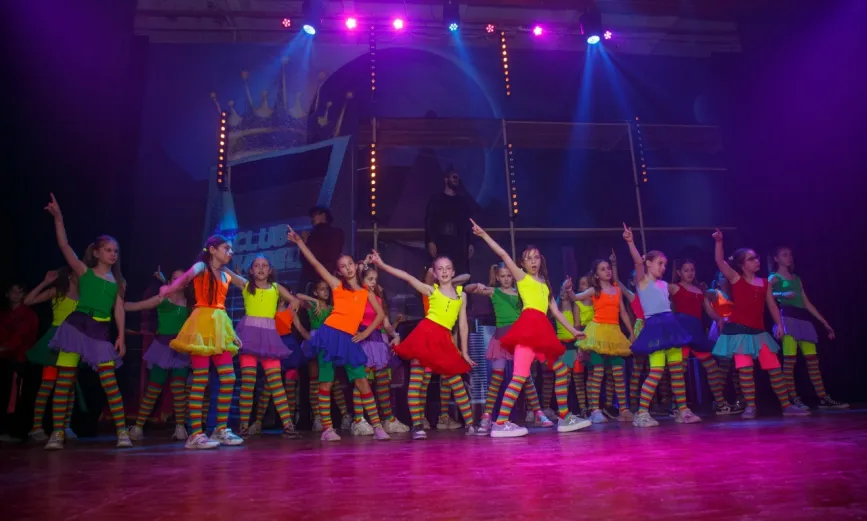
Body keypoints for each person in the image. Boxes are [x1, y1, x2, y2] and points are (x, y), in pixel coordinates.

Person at [472, 219, 591, 438]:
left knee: (561, 370)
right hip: (528, 330)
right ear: (523, 263)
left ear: (541, 260)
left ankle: (564, 416)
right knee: (519, 376)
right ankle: (500, 422)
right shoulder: (522, 278)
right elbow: (503, 254)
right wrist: (484, 235)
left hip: (542, 334)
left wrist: (574, 331)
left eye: (536, 257)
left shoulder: (545, 284)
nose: (533, 261)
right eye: (528, 258)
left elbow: (555, 312)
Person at [287, 225, 391, 442]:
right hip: (329, 336)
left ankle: (377, 426)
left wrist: (365, 334)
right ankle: (327, 429)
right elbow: (316, 264)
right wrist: (299, 242)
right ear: (340, 271)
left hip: (350, 339)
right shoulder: (336, 286)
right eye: (343, 266)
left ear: (355, 265)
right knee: (326, 381)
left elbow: (381, 314)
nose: (348, 268)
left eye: (350, 264)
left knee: (362, 381)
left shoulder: (365, 291)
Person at [43, 194, 131, 450]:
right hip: (76, 327)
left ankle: (122, 432)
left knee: (109, 383)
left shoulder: (118, 282)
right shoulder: (84, 271)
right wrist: (59, 218)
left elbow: (119, 310)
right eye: (108, 250)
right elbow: (64, 246)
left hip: (100, 332)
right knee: (64, 380)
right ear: (96, 252)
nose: (112, 254)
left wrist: (121, 336)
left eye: (115, 251)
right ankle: (57, 433)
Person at [371, 250, 479, 439]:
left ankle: (470, 424)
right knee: (416, 381)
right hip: (425, 336)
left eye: (448, 268)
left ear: (453, 272)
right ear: (434, 273)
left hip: (443, 340)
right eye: (440, 269)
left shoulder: (461, 295)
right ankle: (417, 425)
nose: (444, 272)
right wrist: (382, 265)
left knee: (456, 381)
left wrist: (465, 352)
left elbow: (463, 325)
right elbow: (407, 277)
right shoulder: (431, 290)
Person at [710, 230, 810, 419]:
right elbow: (719, 261)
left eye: (756, 258)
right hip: (739, 333)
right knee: (745, 370)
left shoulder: (765, 283)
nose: (757, 261)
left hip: (759, 332)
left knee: (774, 368)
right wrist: (719, 242)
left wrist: (779, 325)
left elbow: (771, 305)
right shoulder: (736, 279)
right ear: (742, 264)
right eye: (751, 259)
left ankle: (787, 406)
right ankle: (750, 406)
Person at [162, 235, 244, 449]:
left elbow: (245, 285)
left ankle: (220, 429)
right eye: (226, 248)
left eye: (231, 249)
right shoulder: (201, 267)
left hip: (219, 326)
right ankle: (195, 434)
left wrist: (231, 333)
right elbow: (185, 278)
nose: (230, 252)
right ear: (212, 249)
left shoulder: (226, 273)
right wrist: (169, 289)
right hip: (201, 325)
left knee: (229, 378)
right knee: (200, 379)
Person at [466, 263, 551, 435]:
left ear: (513, 276)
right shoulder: (494, 292)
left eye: (509, 276)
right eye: (503, 276)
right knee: (497, 378)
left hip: (519, 338)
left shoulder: (520, 293)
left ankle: (538, 412)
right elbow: (468, 289)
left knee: (525, 377)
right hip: (501, 340)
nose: (506, 279)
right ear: (498, 277)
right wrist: (477, 285)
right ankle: (487, 416)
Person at [225, 255, 303, 439]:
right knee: (248, 383)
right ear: (251, 271)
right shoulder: (246, 286)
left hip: (269, 338)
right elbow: (227, 272)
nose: (261, 268)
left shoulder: (276, 288)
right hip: (249, 337)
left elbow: (294, 300)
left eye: (265, 265)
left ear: (270, 270)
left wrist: (294, 304)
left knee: (276, 383)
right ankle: (244, 426)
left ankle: (288, 425)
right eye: (257, 266)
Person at [769, 247, 847, 409]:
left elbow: (806, 302)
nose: (788, 257)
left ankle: (823, 397)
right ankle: (792, 398)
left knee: (812, 361)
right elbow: (764, 294)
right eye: (784, 255)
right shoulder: (774, 277)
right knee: (790, 361)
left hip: (803, 320)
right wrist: (781, 295)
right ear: (776, 259)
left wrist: (824, 322)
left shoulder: (796, 278)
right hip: (787, 319)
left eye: (790, 254)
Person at [124, 269, 191, 441]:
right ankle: (138, 427)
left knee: (179, 390)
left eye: (182, 278)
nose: (178, 281)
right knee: (153, 389)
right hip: (162, 348)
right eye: (174, 278)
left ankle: (180, 427)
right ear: (170, 281)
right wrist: (116, 302)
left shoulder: (189, 303)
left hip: (180, 349)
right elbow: (137, 306)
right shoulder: (162, 299)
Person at [670, 260, 742, 416]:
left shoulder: (699, 291)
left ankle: (720, 404)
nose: (690, 273)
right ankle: (677, 407)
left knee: (712, 368)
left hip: (696, 332)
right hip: (681, 333)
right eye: (686, 270)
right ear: (679, 273)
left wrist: (719, 319)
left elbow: (709, 311)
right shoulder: (674, 288)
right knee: (679, 370)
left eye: (692, 270)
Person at [570, 258, 634, 424]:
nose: (607, 271)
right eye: (603, 269)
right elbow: (575, 297)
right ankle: (595, 410)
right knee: (598, 372)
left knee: (618, 372)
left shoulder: (617, 289)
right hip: (597, 333)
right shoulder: (594, 290)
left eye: (608, 268)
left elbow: (623, 313)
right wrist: (569, 290)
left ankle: (624, 409)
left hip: (614, 334)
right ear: (597, 274)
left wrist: (631, 332)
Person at [351, 264, 409, 435]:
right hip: (362, 340)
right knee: (362, 381)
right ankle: (359, 420)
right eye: (370, 279)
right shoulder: (356, 296)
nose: (373, 282)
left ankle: (388, 419)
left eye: (375, 279)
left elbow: (385, 324)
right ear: (361, 279)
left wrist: (395, 335)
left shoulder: (377, 299)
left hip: (377, 342)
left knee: (383, 381)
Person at [23, 269, 79, 442]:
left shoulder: (84, 294)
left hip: (73, 343)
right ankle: (36, 427)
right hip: (55, 342)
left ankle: (65, 426)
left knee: (69, 386)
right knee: (47, 384)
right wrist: (45, 282)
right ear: (70, 275)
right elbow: (28, 301)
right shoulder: (57, 291)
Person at [0, 283, 39, 441]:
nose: (16, 294)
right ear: (7, 294)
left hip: (20, 362)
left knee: (18, 397)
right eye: (13, 291)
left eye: (20, 291)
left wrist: (4, 348)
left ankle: (16, 431)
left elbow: (21, 338)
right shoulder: (3, 315)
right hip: (4, 360)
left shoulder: (29, 315)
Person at [424, 168, 475, 275]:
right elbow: (429, 221)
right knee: (440, 269)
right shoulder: (436, 199)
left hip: (459, 244)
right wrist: (430, 241)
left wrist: (470, 243)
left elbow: (468, 224)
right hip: (441, 243)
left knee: (460, 272)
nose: (456, 180)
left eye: (458, 178)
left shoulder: (462, 201)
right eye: (454, 177)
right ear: (446, 179)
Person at [299, 206, 345, 290]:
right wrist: (303, 243)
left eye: (314, 215)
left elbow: (329, 254)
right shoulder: (310, 235)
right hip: (313, 278)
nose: (312, 219)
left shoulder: (335, 232)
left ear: (323, 215)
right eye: (311, 216)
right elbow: (303, 259)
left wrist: (305, 243)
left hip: (327, 276)